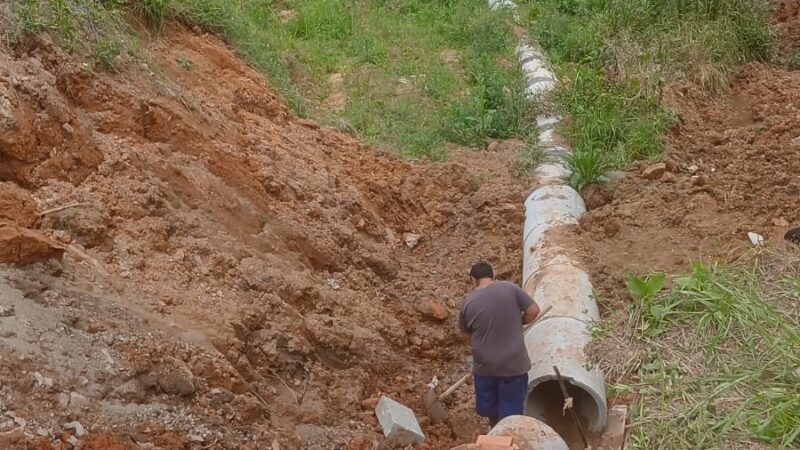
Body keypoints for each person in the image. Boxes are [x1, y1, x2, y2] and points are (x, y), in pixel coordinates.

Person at [458, 261, 540, 428]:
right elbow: (533, 310)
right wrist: (519, 322)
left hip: (485, 366)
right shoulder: (511, 288)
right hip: (513, 365)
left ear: (473, 280)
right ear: (492, 275)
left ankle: (494, 433)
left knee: (490, 408)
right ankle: (509, 436)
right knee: (512, 410)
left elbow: (466, 336)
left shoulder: (468, 302)